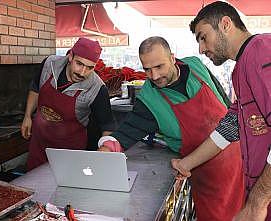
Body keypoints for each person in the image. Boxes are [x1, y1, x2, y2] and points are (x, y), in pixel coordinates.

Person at [98, 36, 244, 221]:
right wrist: (106, 149)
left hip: (240, 160)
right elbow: (126, 132)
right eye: (147, 70)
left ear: (172, 58)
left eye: (159, 67)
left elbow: (223, 99)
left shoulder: (196, 65)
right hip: (204, 173)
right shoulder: (149, 100)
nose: (154, 76)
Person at [171, 1, 271, 221]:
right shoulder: (239, 71)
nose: (201, 49)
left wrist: (257, 202)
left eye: (203, 37)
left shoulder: (262, 51)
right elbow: (229, 129)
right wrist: (186, 164)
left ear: (225, 24)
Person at [21, 37, 113, 171]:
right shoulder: (49, 64)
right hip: (40, 144)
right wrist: (27, 116)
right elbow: (36, 88)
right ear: (70, 56)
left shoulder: (97, 88)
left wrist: (104, 150)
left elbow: (107, 125)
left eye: (89, 68)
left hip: (70, 154)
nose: (82, 72)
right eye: (79, 64)